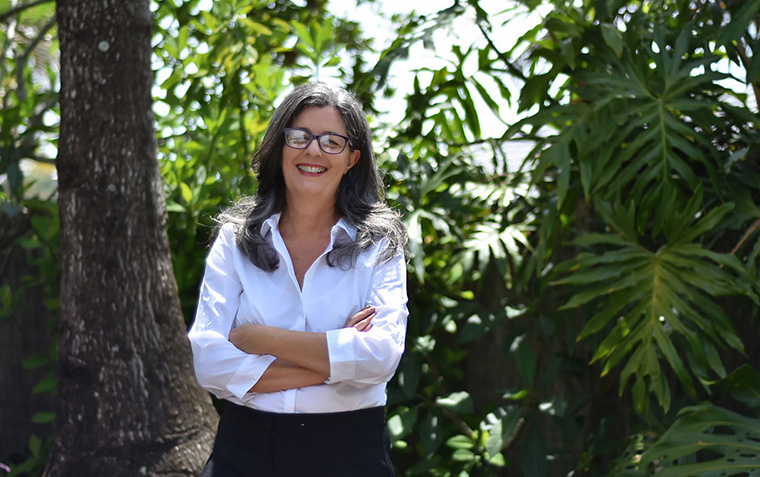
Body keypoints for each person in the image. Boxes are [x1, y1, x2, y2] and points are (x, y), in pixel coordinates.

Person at [188, 82, 408, 476]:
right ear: (281, 146)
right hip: (244, 450)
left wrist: (260, 339)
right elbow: (209, 364)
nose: (313, 150)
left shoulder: (379, 244)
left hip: (349, 452)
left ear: (352, 159)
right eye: (299, 136)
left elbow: (380, 357)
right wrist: (337, 357)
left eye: (331, 141)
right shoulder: (235, 238)